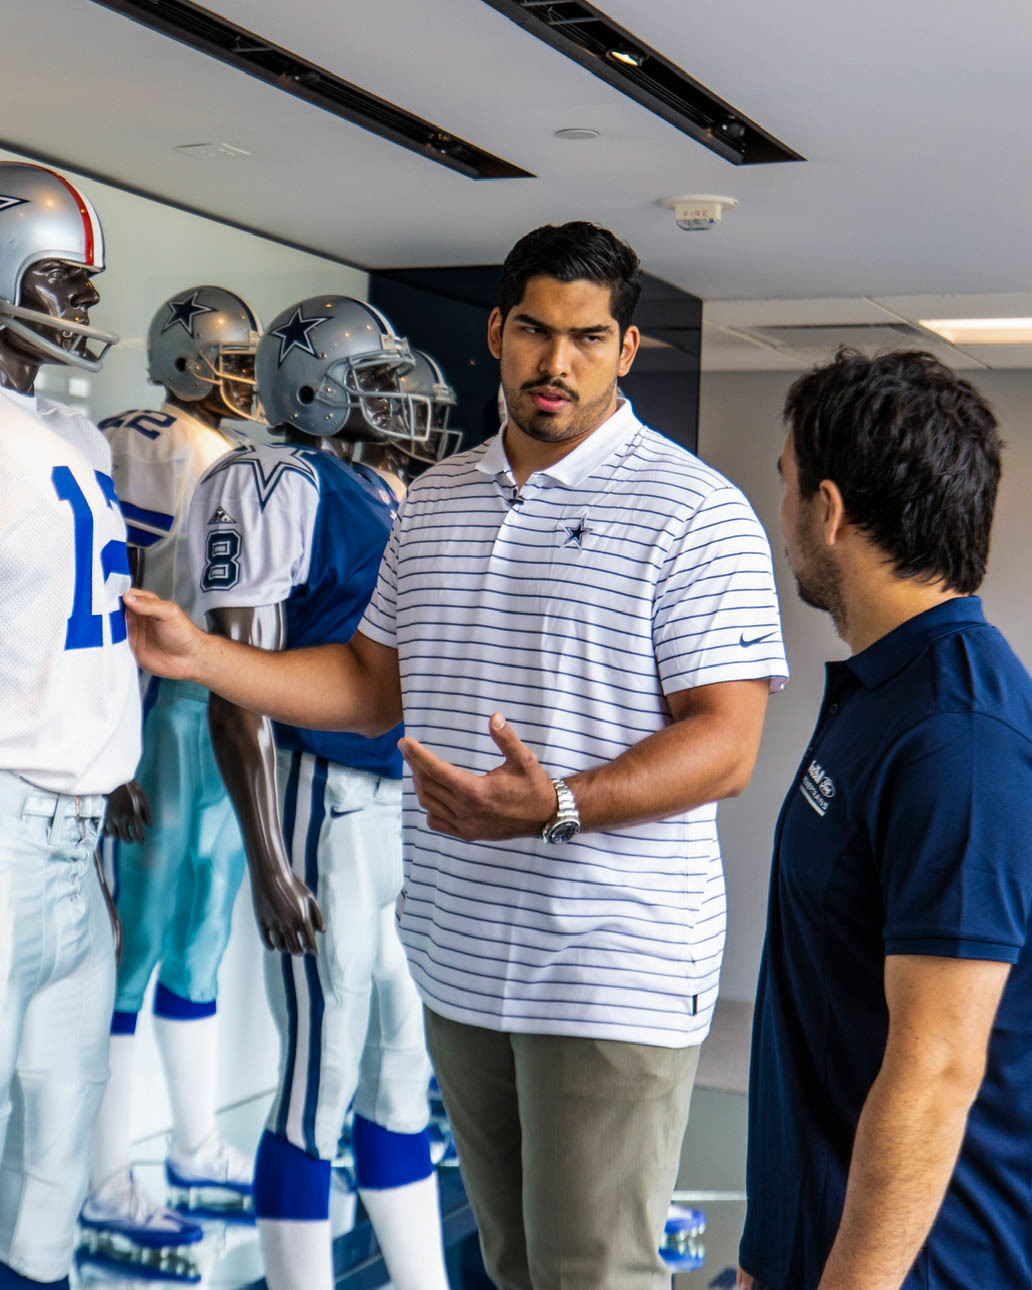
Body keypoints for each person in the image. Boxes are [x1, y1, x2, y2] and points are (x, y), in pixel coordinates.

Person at [125, 221, 788, 1290]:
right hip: (463, 958)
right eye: (533, 330)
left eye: (586, 338)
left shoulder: (696, 513)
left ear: (626, 350)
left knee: (594, 1274)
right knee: (514, 1266)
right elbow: (370, 685)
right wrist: (207, 657)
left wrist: (558, 805)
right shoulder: (434, 501)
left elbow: (727, 744)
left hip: (607, 967)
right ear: (497, 332)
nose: (555, 362)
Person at [737, 349, 1032, 1290]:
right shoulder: (889, 692)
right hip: (816, 1243)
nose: (779, 518)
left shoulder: (961, 738)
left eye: (783, 487)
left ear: (829, 510)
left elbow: (937, 1069)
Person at [190, 295, 451, 1290]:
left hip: (394, 807)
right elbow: (234, 680)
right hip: (320, 799)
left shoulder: (381, 486)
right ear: (318, 386)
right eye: (375, 378)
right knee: (318, 1082)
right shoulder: (269, 479)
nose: (397, 397)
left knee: (398, 1074)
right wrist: (270, 858)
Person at [81, 287, 263, 1258]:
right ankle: (107, 1174)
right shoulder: (186, 453)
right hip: (165, 711)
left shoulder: (142, 437)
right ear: (190, 362)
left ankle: (191, 1146)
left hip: (191, 709)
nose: (247, 381)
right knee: (139, 950)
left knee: (186, 942)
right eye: (232, 361)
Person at [0, 161, 141, 1290]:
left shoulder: (71, 438)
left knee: (55, 1167)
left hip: (74, 833)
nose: (81, 311)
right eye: (63, 282)